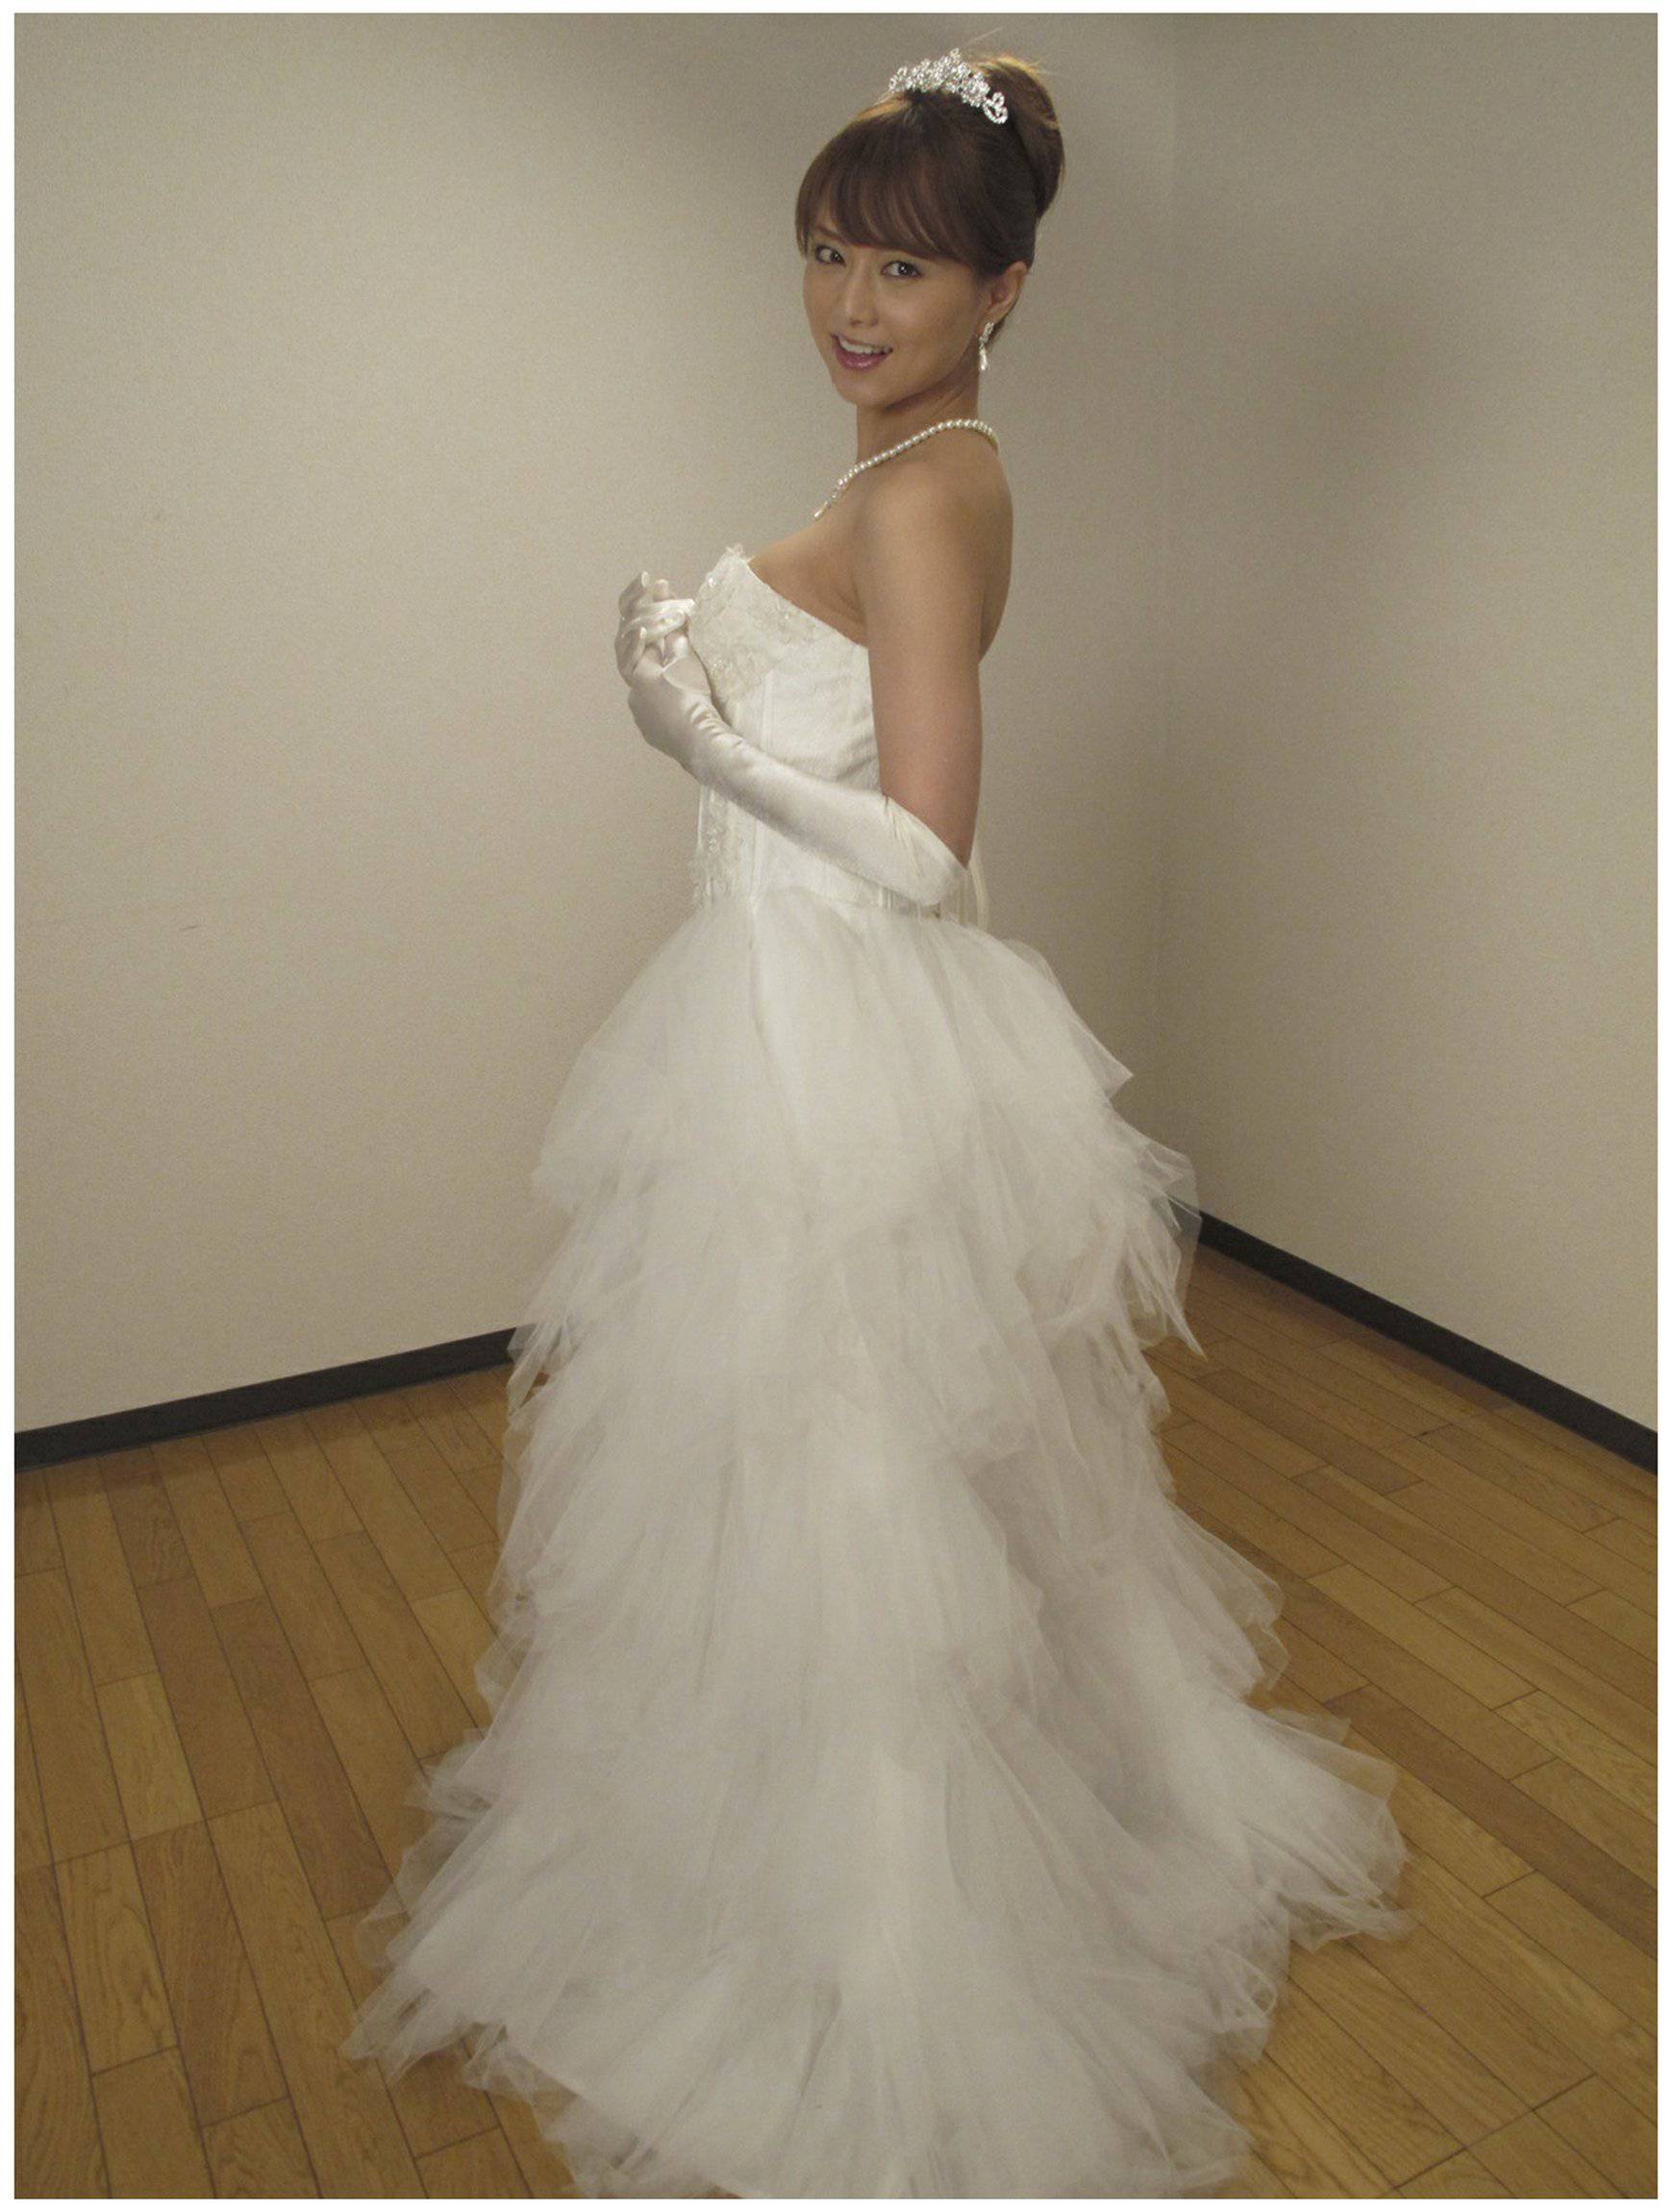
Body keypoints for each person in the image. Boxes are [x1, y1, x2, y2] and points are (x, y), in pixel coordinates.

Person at [340, 45, 1413, 2198]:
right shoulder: (922, 467)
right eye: (829, 251)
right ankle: (813, 1848)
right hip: (798, 1010)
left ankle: (896, 1950)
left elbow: (924, 849)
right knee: (838, 1473)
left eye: (903, 266)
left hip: (825, 1016)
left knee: (842, 1479)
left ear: (1003, 288)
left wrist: (694, 732)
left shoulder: (926, 493)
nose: (849, 299)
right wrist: (731, 708)